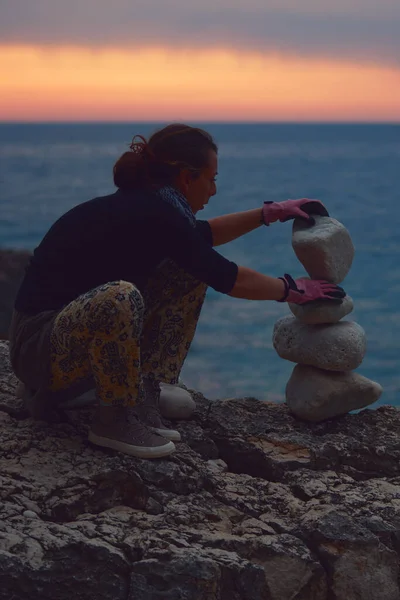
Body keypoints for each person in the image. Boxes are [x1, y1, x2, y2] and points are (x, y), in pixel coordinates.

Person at [8, 123, 345, 460]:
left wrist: (270, 213)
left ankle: (143, 395)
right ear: (187, 178)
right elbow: (229, 277)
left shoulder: (152, 209)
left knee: (185, 272)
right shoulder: (156, 215)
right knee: (119, 297)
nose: (213, 190)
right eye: (211, 179)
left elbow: (202, 235)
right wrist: (294, 290)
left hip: (56, 347)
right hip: (37, 350)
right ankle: (113, 420)